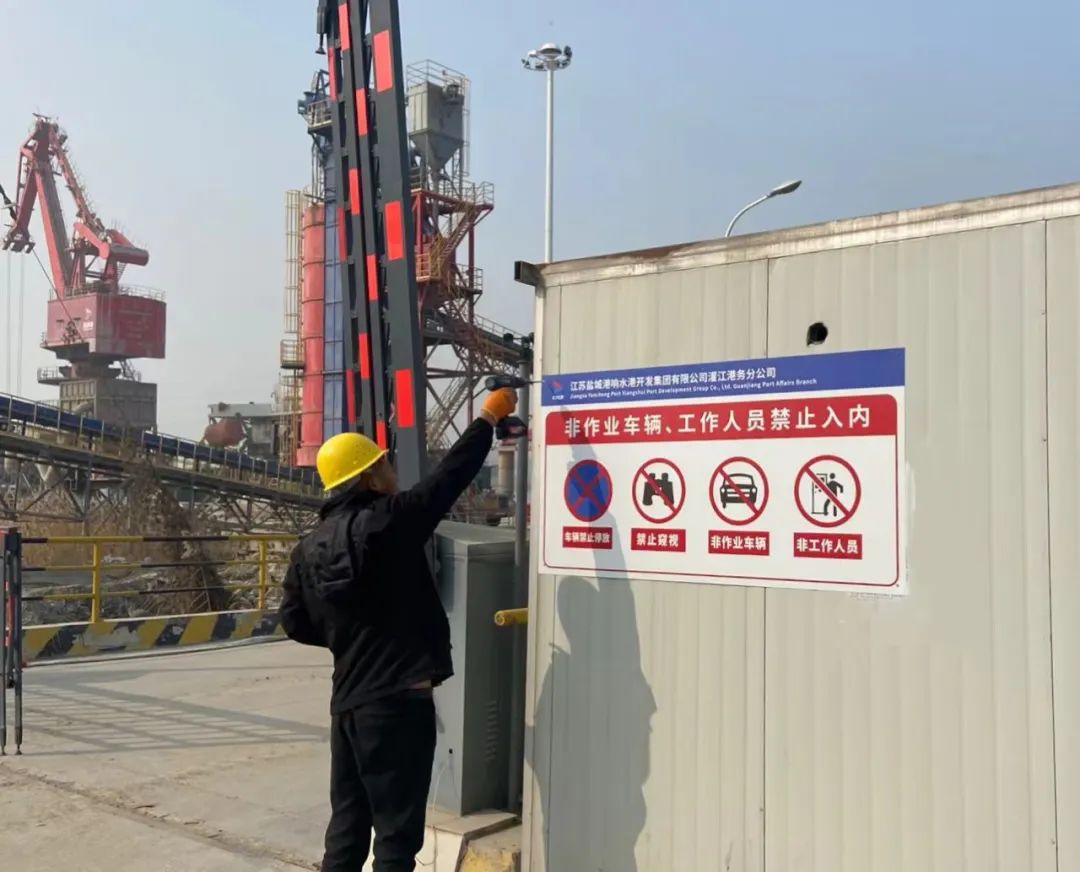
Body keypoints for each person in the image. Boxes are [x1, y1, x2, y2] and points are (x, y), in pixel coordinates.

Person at [279, 387, 518, 872]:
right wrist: (487, 419)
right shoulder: (390, 522)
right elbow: (449, 478)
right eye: (385, 464)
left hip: (348, 707)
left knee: (346, 832)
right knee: (395, 837)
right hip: (397, 706)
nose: (392, 472)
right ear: (367, 476)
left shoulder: (308, 548)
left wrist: (347, 634)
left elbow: (294, 621)